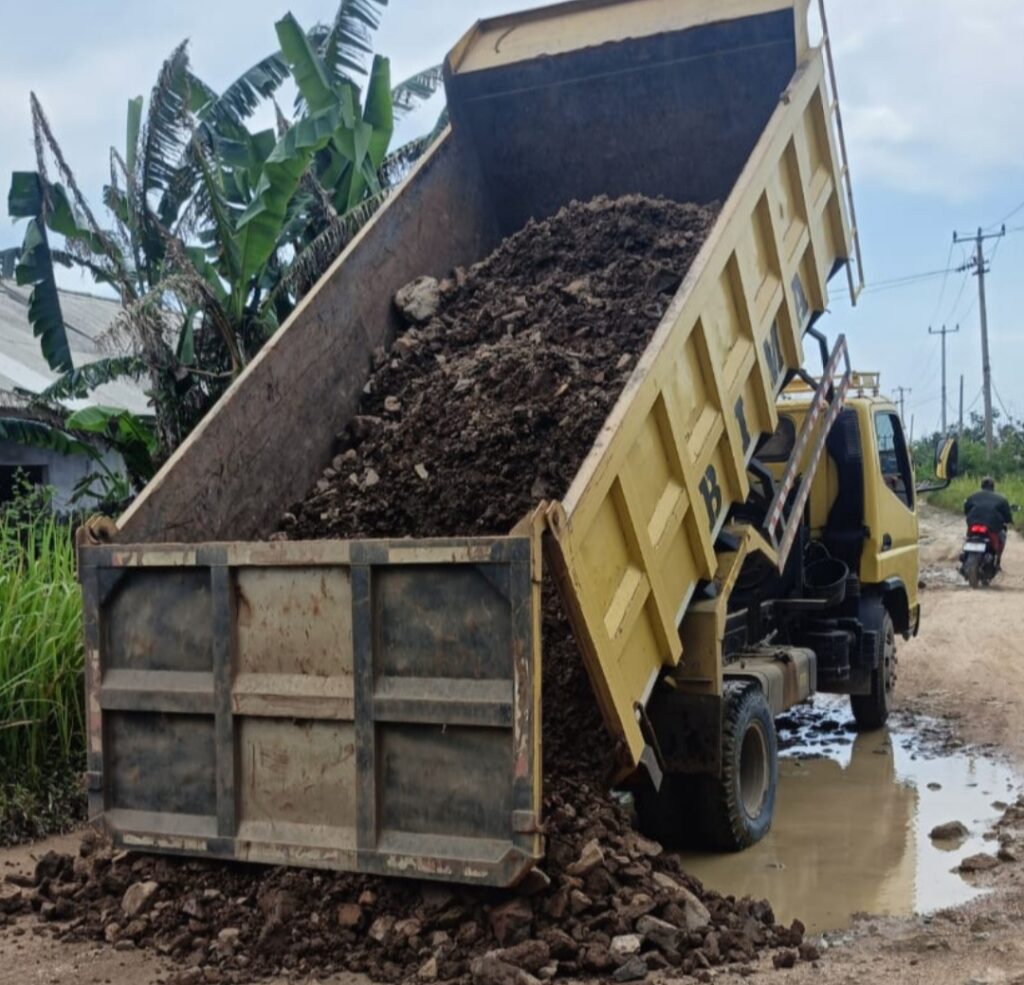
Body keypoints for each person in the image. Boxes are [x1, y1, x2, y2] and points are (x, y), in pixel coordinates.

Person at [964, 477, 1013, 566]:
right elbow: (1007, 515)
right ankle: (997, 560)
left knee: (968, 537)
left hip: (973, 523)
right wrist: (1009, 520)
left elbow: (966, 509)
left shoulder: (972, 496)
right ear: (993, 486)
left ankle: (964, 555)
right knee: (1002, 535)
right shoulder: (1001, 499)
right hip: (991, 526)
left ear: (981, 486)